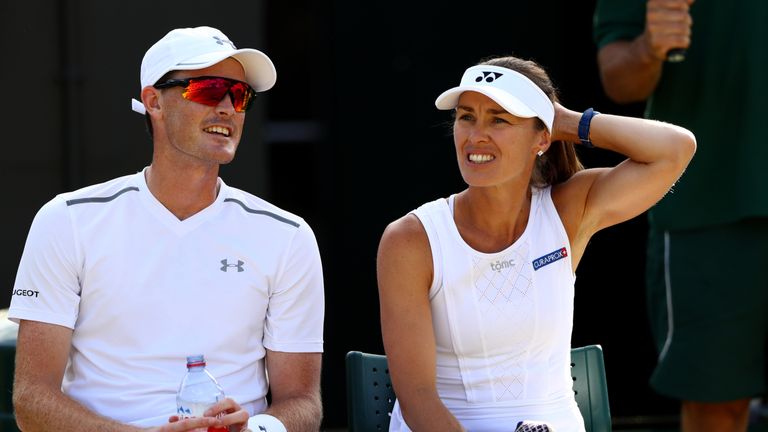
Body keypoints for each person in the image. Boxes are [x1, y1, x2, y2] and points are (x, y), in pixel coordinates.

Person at [8, 26, 324, 432]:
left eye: (240, 95)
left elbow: (303, 403)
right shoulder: (66, 220)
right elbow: (31, 401)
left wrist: (257, 429)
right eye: (209, 90)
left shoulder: (288, 235)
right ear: (153, 102)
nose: (228, 108)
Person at [376, 55, 696, 431]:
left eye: (499, 119)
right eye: (466, 117)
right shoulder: (409, 239)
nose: (476, 136)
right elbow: (417, 398)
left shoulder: (568, 210)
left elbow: (676, 149)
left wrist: (570, 122)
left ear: (543, 137)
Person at [593, 1, 768, 430]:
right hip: (713, 207)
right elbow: (618, 77)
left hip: (713, 208)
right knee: (716, 405)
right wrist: (649, 47)